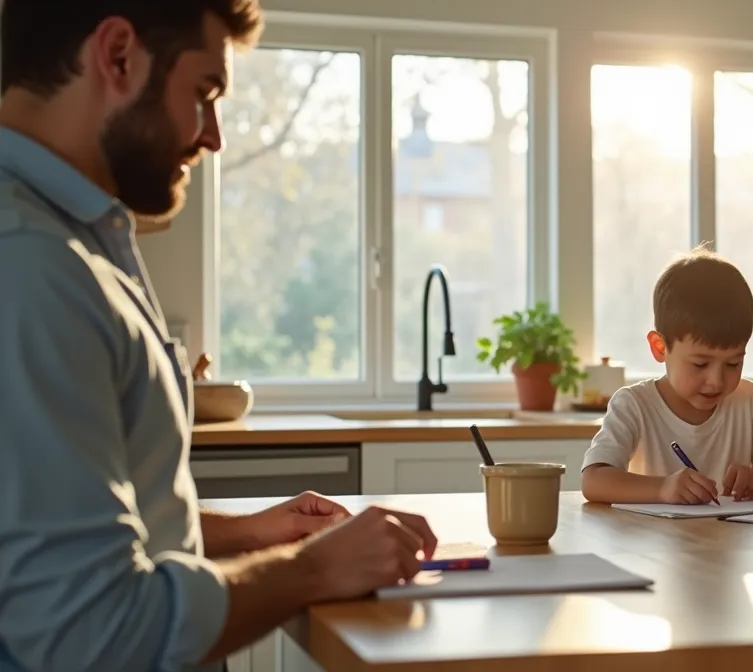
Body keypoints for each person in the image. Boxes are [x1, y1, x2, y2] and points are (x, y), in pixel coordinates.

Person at [0, 2, 439, 671]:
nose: (213, 138)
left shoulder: (73, 238)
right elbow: (91, 635)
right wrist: (309, 570)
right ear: (118, 55)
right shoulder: (31, 264)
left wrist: (250, 533)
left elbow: (58, 523)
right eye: (203, 94)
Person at [581, 246, 753, 505]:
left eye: (733, 363)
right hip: (652, 542)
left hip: (733, 542)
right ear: (660, 348)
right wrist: (663, 488)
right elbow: (594, 481)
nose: (716, 380)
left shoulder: (748, 400)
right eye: (700, 364)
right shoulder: (634, 405)